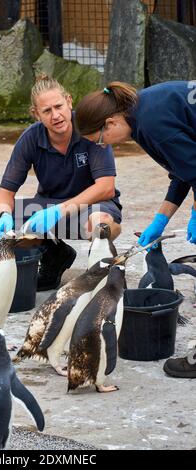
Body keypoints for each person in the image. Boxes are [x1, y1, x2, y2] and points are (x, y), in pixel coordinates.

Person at [75, 80, 196, 378]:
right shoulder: (142, 113)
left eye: (101, 139)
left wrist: (195, 213)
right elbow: (184, 171)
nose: (105, 146)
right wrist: (161, 221)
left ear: (111, 121)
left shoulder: (151, 123)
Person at [0, 75, 122, 291]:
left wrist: (59, 210)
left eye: (59, 106)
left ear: (69, 101)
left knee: (100, 223)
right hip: (46, 208)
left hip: (91, 205)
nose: (56, 115)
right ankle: (54, 254)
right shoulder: (31, 138)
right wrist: (4, 215)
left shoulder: (88, 127)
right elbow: (4, 193)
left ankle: (103, 280)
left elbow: (106, 187)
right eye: (47, 111)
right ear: (36, 114)